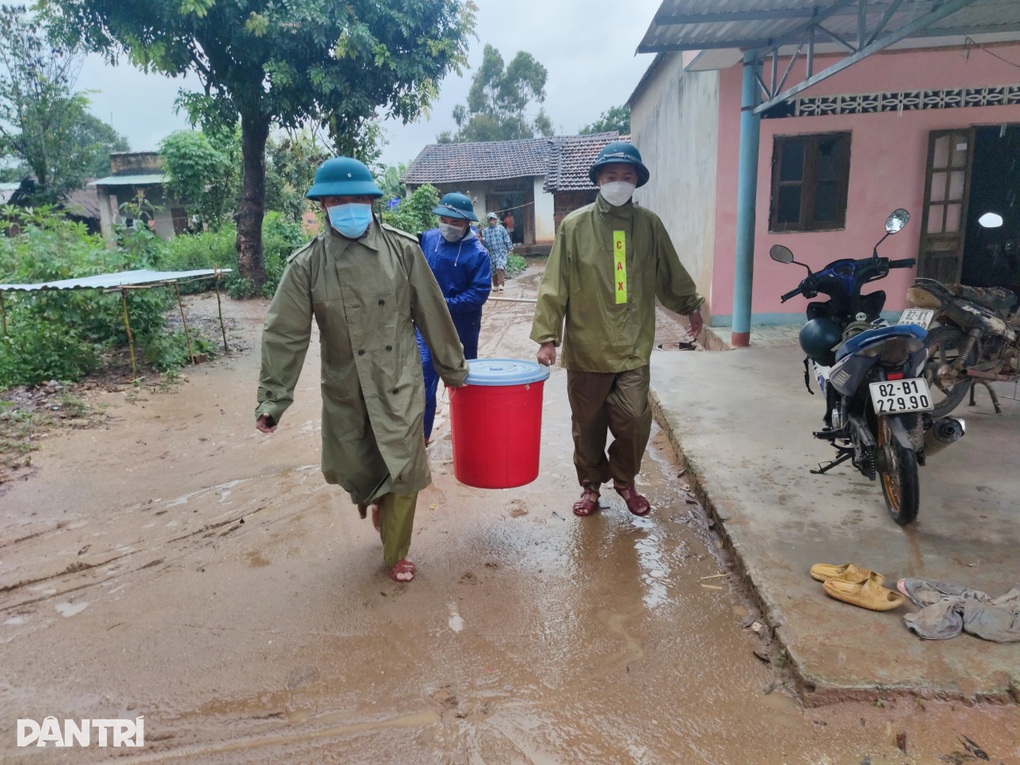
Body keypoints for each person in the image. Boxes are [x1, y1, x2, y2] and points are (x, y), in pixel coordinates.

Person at [255, 157, 469, 583]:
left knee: (406, 469)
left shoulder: (403, 251)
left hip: (399, 380)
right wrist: (272, 400)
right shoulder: (306, 265)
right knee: (358, 465)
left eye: (358, 198)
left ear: (372, 201)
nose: (349, 206)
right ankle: (375, 499)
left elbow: (432, 311)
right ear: (324, 206)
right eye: (338, 199)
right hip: (346, 386)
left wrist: (455, 373)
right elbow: (285, 333)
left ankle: (397, 553)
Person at [530, 141, 704, 518]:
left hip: (632, 345)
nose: (619, 183)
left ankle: (624, 479)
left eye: (627, 177)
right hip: (587, 347)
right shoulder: (574, 226)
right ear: (598, 180)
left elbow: (669, 271)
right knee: (587, 426)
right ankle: (591, 487)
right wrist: (547, 337)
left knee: (634, 419)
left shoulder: (650, 226)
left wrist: (690, 305)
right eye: (612, 176)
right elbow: (554, 282)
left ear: (637, 181)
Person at [417, 192, 491, 443]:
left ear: (467, 223)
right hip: (427, 326)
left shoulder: (478, 254)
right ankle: (422, 436)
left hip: (462, 327)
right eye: (445, 219)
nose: (448, 226)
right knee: (422, 380)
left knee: (463, 380)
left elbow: (479, 293)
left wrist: (443, 305)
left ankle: (467, 434)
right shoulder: (427, 240)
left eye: (455, 222)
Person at [480, 211, 513, 292]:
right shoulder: (485, 231)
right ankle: (495, 285)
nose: (492, 221)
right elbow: (483, 241)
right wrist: (484, 249)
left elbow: (506, 238)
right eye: (490, 220)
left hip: (500, 252)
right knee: (493, 270)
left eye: (493, 220)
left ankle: (501, 284)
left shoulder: (501, 229)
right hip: (491, 253)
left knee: (499, 266)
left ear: (496, 220)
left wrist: (510, 248)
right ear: (488, 221)